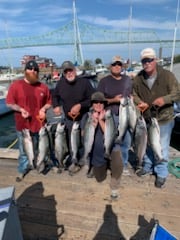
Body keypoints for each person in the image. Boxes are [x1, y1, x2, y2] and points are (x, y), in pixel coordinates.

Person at [133, 47, 180, 188]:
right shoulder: (138, 78)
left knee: (162, 147)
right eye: (144, 61)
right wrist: (139, 102)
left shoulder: (167, 75)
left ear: (155, 60)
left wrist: (164, 100)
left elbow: (177, 93)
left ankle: (161, 172)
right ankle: (147, 166)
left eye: (150, 60)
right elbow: (134, 93)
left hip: (164, 118)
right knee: (147, 145)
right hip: (147, 118)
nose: (147, 63)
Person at [6, 60, 52, 182]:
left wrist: (43, 108)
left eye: (35, 70)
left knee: (42, 149)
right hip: (23, 126)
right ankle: (23, 169)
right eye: (30, 69)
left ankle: (40, 166)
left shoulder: (43, 87)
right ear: (25, 70)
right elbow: (10, 103)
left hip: (40, 125)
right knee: (23, 151)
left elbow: (49, 103)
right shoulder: (16, 85)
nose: (33, 71)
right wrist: (20, 109)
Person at [52, 60, 94, 174]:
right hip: (69, 118)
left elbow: (92, 99)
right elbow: (54, 96)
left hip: (83, 116)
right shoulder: (60, 84)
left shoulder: (84, 82)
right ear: (64, 73)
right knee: (72, 140)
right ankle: (74, 161)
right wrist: (55, 106)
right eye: (66, 72)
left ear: (74, 71)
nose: (69, 73)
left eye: (70, 70)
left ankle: (87, 161)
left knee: (86, 139)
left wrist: (80, 105)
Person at [82, 91, 123, 200]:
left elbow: (111, 134)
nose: (98, 105)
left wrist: (100, 121)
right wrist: (92, 124)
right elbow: (82, 134)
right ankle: (105, 165)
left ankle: (114, 185)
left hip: (112, 147)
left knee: (118, 162)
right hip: (97, 152)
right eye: (96, 102)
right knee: (100, 178)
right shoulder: (87, 116)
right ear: (92, 104)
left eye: (101, 102)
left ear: (105, 104)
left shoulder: (110, 115)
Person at [97, 56, 133, 175]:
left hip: (126, 115)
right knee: (110, 140)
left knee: (126, 141)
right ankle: (113, 163)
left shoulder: (128, 80)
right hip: (110, 116)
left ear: (122, 66)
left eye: (119, 64)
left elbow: (132, 95)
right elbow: (99, 100)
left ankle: (123, 164)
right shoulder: (104, 81)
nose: (117, 66)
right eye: (114, 64)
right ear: (110, 66)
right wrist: (113, 100)